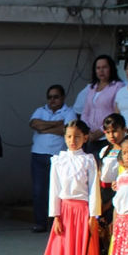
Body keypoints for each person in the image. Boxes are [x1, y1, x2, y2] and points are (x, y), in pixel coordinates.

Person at [29, 119, 101, 255]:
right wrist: (56, 216)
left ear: (85, 138)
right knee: (63, 250)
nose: (72, 140)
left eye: (77, 137)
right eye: (69, 136)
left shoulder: (88, 160)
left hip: (83, 210)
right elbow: (55, 188)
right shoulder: (58, 159)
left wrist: (93, 215)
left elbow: (94, 189)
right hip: (65, 211)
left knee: (80, 250)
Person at [29, 84, 77, 233]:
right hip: (38, 155)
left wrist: (47, 127)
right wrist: (56, 123)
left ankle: (55, 223)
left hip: (59, 157)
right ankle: (40, 222)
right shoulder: (40, 110)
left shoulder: (69, 112)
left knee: (57, 191)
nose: (52, 100)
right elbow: (34, 124)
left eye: (56, 97)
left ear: (62, 97)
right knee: (39, 191)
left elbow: (66, 130)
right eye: (50, 97)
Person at [73, 55, 123, 149]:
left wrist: (100, 132)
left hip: (107, 136)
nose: (101, 70)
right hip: (90, 137)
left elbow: (115, 113)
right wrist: (87, 131)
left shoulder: (118, 86)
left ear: (111, 68)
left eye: (104, 67)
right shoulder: (92, 87)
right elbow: (85, 112)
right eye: (98, 68)